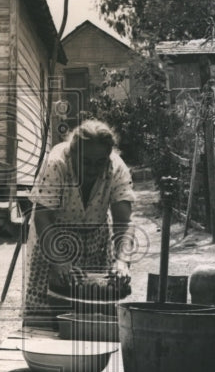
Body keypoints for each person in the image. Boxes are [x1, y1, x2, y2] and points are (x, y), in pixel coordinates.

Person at [22, 119, 136, 327]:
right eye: (86, 162)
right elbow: (42, 216)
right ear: (74, 154)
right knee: (44, 318)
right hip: (53, 239)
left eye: (99, 162)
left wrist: (122, 261)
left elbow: (124, 222)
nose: (93, 169)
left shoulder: (116, 167)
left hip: (95, 240)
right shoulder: (57, 163)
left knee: (94, 313)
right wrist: (58, 260)